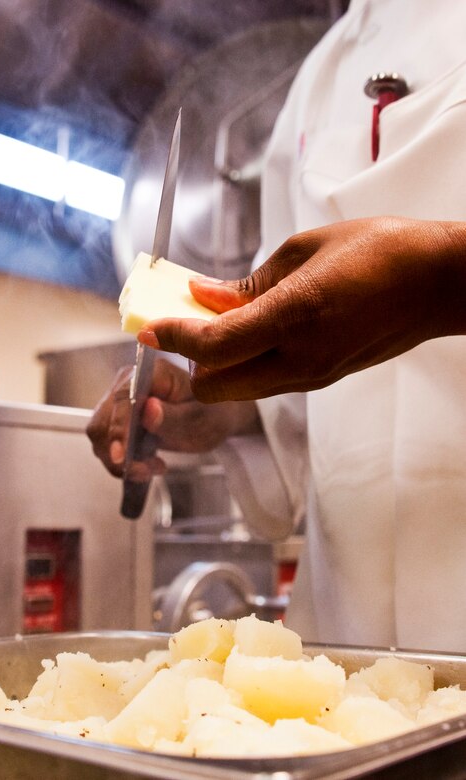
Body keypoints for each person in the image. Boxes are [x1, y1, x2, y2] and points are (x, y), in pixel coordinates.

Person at [88, 0, 466, 652]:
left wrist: (439, 284)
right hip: (344, 634)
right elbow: (312, 388)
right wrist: (226, 407)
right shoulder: (321, 75)